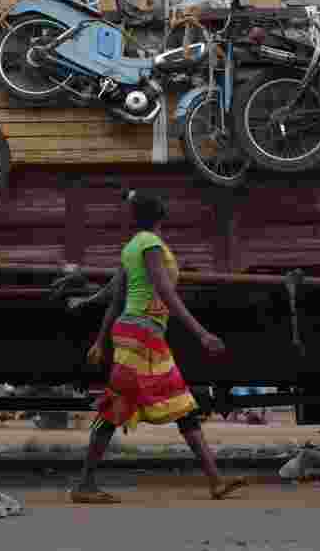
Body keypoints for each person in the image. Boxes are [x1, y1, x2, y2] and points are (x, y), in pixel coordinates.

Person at [70, 189, 247, 503]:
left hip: (135, 332)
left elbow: (114, 296)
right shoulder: (151, 245)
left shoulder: (131, 247)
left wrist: (100, 339)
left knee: (177, 405)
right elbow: (165, 291)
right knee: (122, 407)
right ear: (162, 216)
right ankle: (84, 485)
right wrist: (202, 333)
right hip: (141, 334)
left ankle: (216, 481)